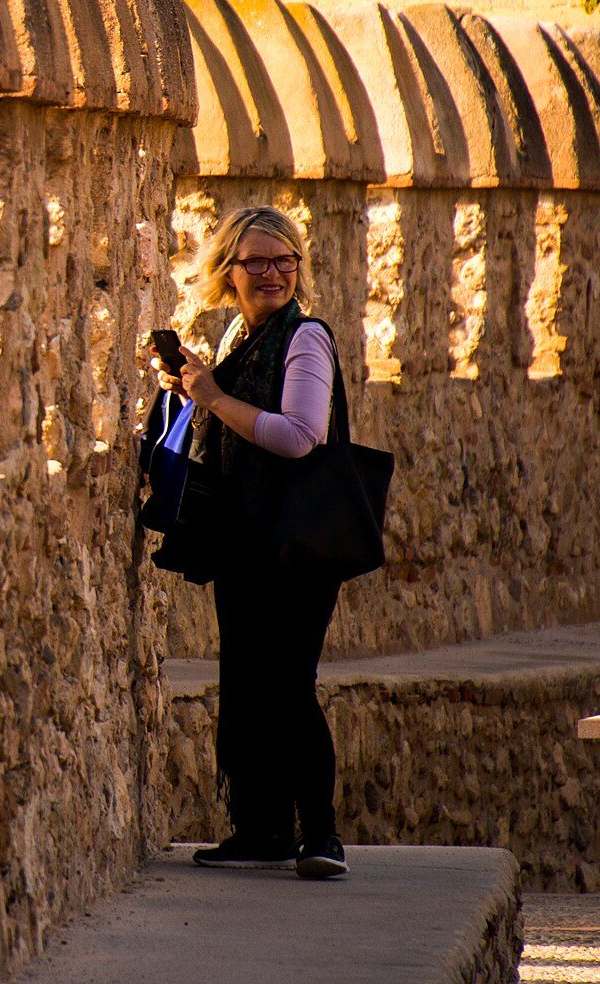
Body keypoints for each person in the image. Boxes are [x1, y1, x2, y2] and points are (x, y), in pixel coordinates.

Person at [154, 205, 350, 881]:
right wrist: (196, 385)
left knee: (288, 683)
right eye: (256, 262)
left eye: (284, 261)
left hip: (296, 542)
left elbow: (300, 435)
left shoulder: (306, 339)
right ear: (227, 273)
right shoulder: (242, 332)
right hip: (247, 539)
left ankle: (320, 835)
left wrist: (211, 396)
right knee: (247, 683)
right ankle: (262, 828)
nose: (272, 274)